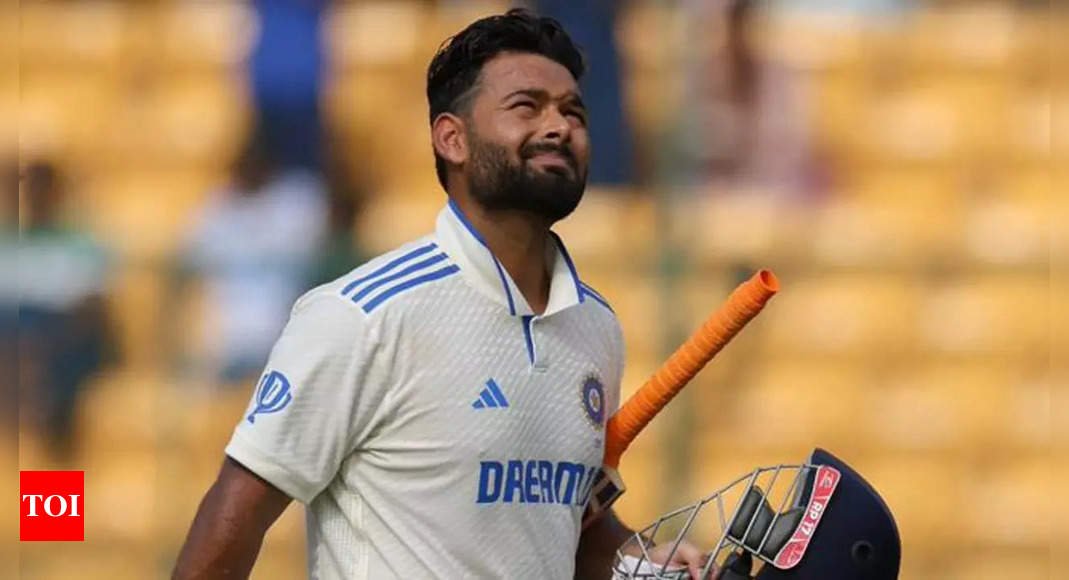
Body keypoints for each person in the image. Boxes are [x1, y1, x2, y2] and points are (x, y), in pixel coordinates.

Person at [172, 9, 705, 579]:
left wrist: (639, 559)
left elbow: (572, 531)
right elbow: (234, 521)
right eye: (526, 107)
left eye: (572, 111)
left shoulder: (595, 327)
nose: (559, 127)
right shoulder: (364, 316)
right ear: (452, 139)